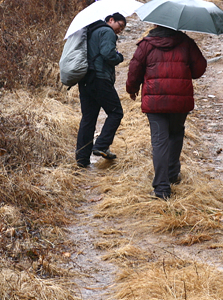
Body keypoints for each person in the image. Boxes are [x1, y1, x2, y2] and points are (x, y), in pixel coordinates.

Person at [125, 25, 207, 199]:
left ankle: (162, 188)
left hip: (155, 102)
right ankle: (172, 174)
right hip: (180, 100)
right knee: (176, 134)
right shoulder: (186, 42)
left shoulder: (146, 45)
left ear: (156, 24)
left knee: (159, 141)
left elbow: (134, 70)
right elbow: (199, 70)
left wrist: (132, 89)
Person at [75, 12, 128, 168]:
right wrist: (119, 57)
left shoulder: (90, 32)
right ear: (111, 20)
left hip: (85, 80)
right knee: (116, 112)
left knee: (88, 119)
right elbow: (108, 55)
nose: (120, 30)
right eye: (120, 25)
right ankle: (101, 145)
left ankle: (82, 159)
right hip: (100, 79)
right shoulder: (106, 31)